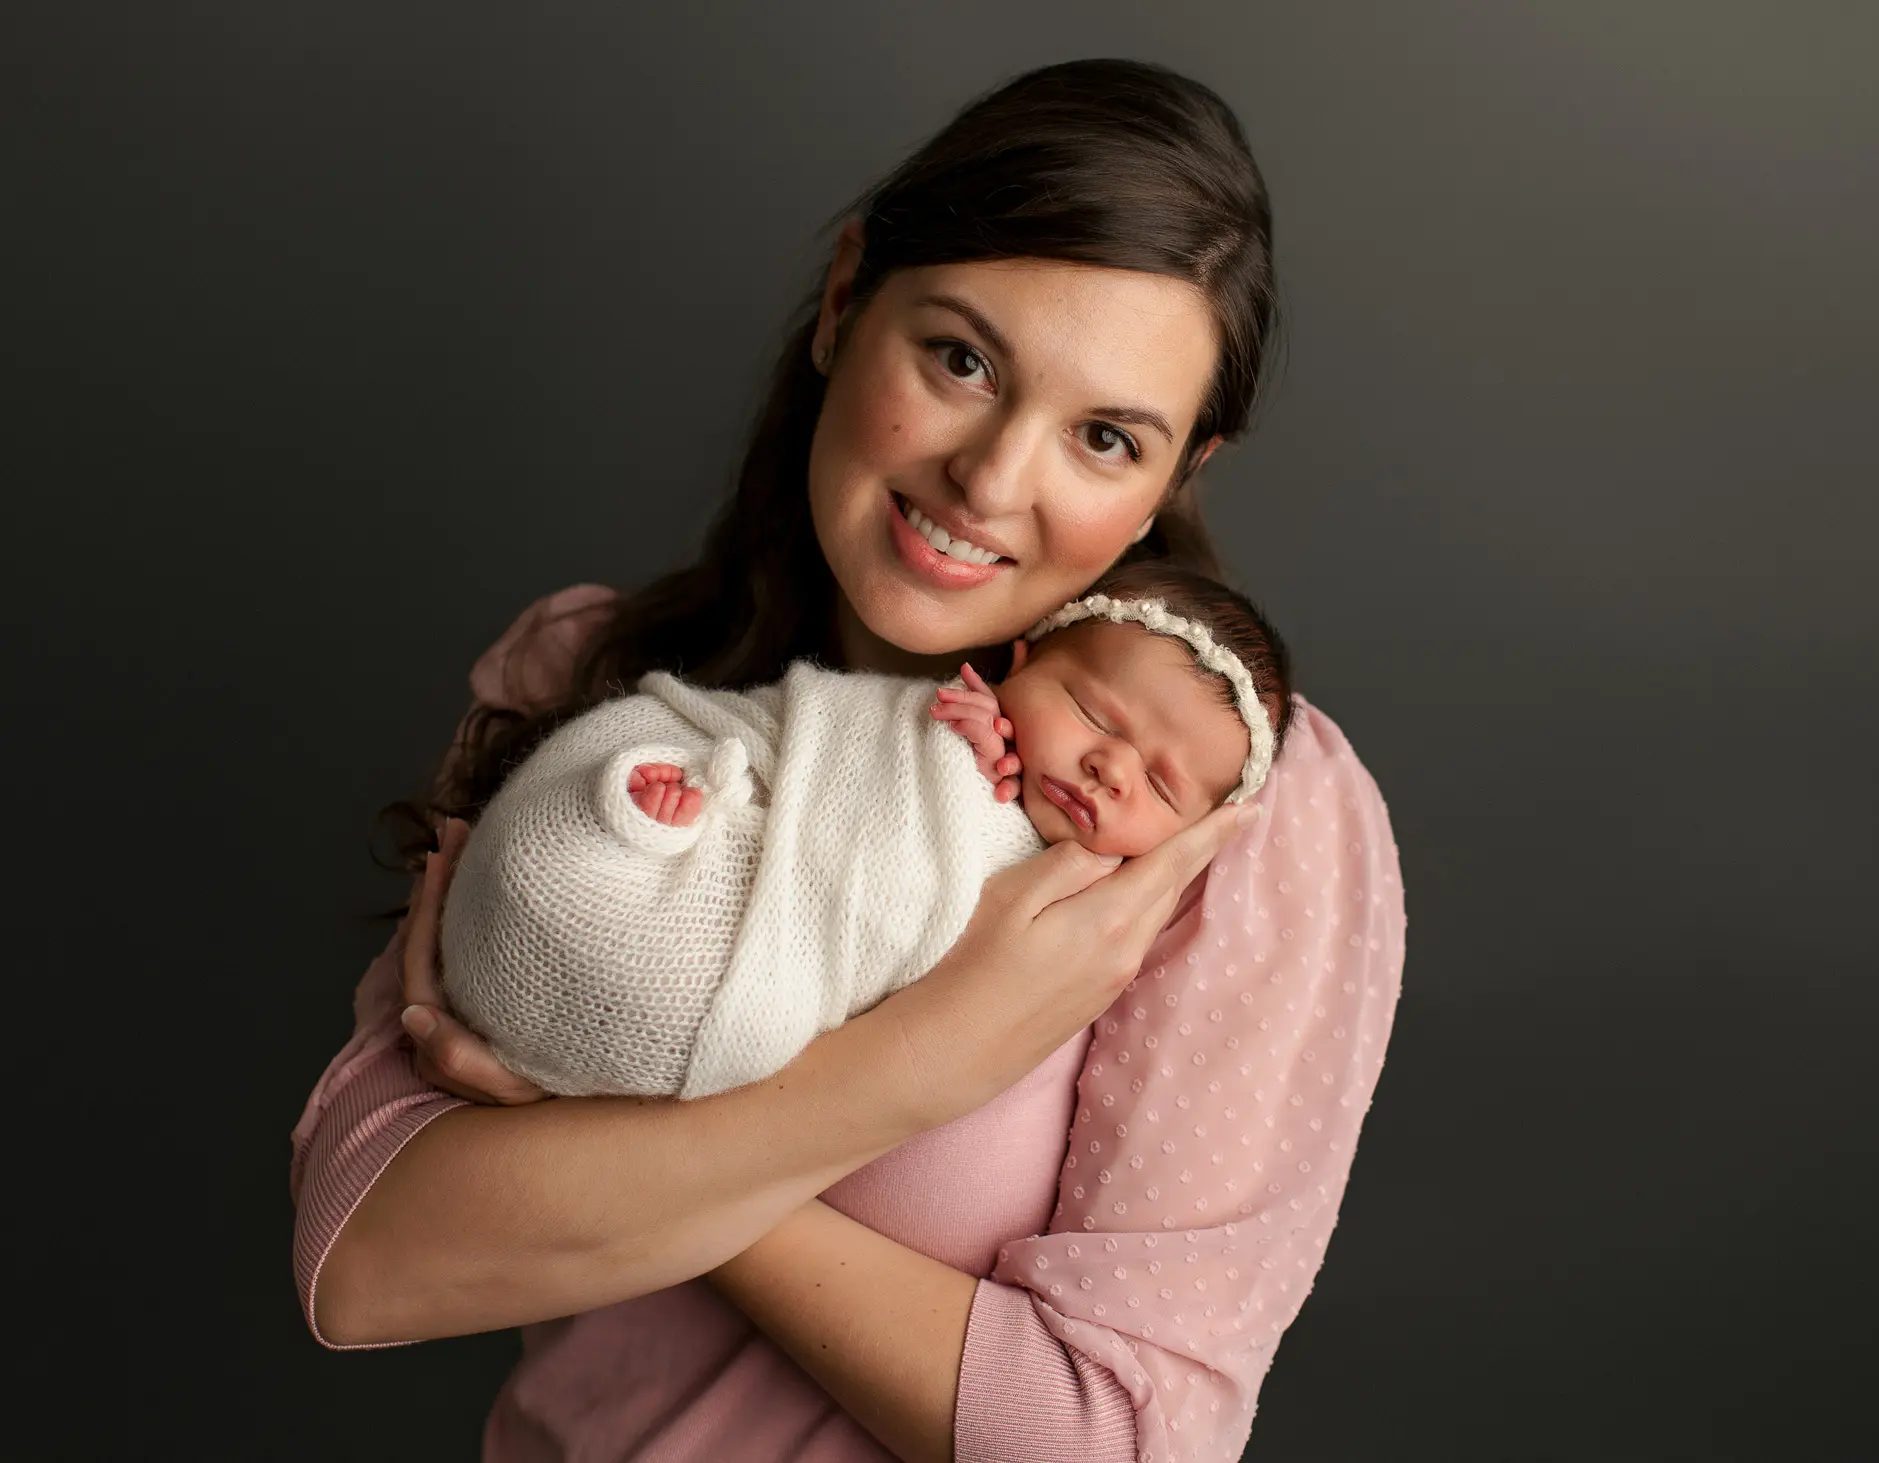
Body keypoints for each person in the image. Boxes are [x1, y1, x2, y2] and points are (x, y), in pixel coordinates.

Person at [290, 57, 1407, 1463]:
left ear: (1170, 481)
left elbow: (1112, 1437)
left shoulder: (1222, 807)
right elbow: (370, 1262)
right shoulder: (588, 680)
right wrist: (909, 1072)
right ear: (843, 301)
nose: (993, 480)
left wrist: (605, 1111)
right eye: (962, 359)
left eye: (1106, 436)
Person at [440, 562, 1292, 1102]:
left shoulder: (1110, 926)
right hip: (738, 810)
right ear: (1019, 666)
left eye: (1159, 784)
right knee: (617, 810)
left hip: (757, 965)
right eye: (1090, 712)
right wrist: (947, 747)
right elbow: (850, 760)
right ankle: (642, 817)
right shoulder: (950, 728)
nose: (1111, 766)